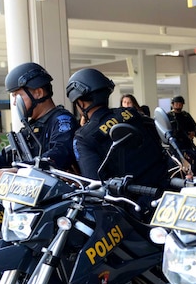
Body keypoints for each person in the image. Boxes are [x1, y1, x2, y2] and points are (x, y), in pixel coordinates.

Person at [66, 68, 170, 215]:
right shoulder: (132, 114)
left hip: (131, 211)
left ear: (81, 102)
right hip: (166, 195)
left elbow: (95, 186)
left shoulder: (83, 137)